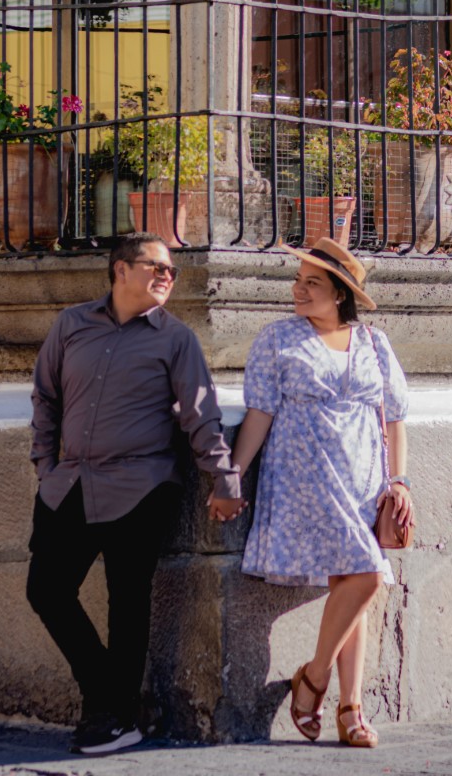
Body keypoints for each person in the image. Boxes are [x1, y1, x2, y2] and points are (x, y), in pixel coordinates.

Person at [27, 232, 243, 756]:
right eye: (156, 267)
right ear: (120, 269)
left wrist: (224, 478)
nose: (167, 276)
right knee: (46, 590)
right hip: (70, 484)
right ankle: (107, 696)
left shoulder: (177, 339)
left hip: (141, 486)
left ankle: (116, 717)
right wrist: (45, 467)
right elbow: (46, 399)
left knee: (127, 603)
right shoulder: (71, 325)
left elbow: (201, 414)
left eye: (172, 271)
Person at [231, 237, 413, 748]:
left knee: (352, 584)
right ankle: (314, 681)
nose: (299, 289)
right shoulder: (278, 339)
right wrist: (232, 474)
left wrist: (399, 482)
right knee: (367, 576)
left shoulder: (374, 343)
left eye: (312, 283)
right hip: (306, 480)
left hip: (363, 484)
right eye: (298, 280)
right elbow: (260, 413)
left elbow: (395, 419)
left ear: (339, 294)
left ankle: (349, 706)